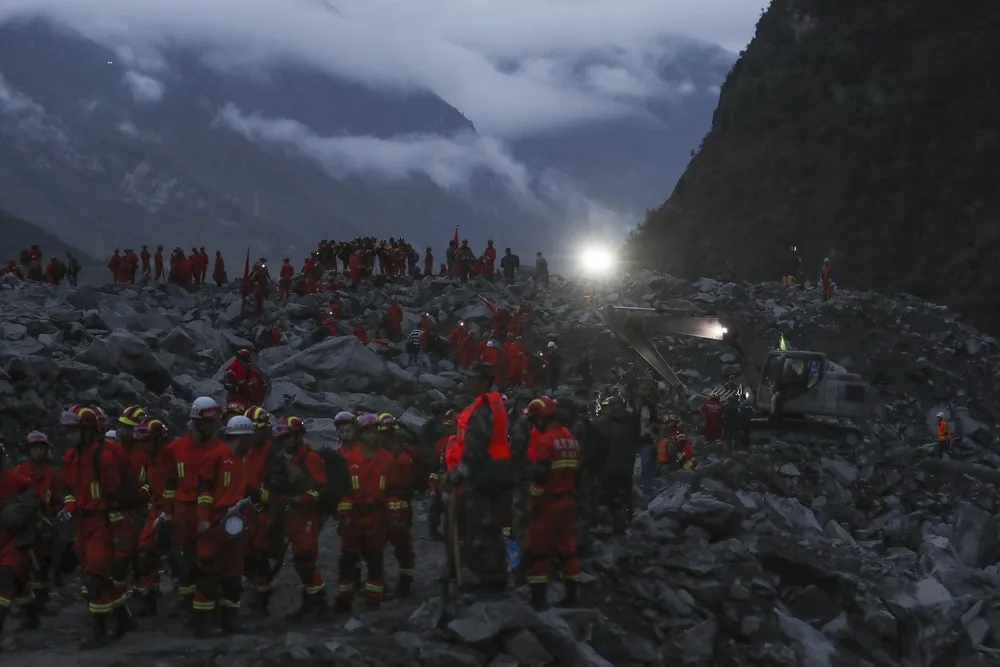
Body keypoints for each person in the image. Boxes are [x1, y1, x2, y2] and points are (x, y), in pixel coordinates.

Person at [59, 405, 126, 648]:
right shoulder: (70, 458)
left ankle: (99, 633)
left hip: (102, 522)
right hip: (82, 523)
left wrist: (118, 540)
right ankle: (123, 619)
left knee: (94, 579)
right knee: (99, 576)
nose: (69, 436)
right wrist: (68, 508)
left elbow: (115, 500)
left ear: (88, 431)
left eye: (73, 431)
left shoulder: (104, 458)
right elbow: (69, 489)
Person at [446, 362, 512, 592]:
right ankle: (493, 574)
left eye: (472, 378)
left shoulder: (482, 407)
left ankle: (487, 577)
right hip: (496, 471)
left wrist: (459, 472)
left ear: (483, 382)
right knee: (491, 526)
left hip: (484, 475)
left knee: (481, 527)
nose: (467, 382)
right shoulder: (494, 403)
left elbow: (476, 444)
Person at [522, 396, 581, 610]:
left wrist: (532, 504)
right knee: (568, 549)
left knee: (537, 551)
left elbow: (540, 477)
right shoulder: (571, 439)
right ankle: (571, 598)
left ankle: (538, 602)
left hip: (548, 503)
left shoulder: (545, 441)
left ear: (539, 418)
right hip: (568, 501)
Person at [335, 413, 394, 612]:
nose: (373, 436)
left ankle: (373, 601)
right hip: (353, 516)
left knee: (375, 560)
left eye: (375, 431)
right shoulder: (346, 458)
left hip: (377, 516)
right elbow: (341, 491)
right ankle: (344, 599)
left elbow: (392, 488)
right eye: (368, 432)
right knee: (348, 560)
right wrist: (343, 516)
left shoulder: (386, 458)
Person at [274, 415, 329, 620]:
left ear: (298, 436)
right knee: (300, 559)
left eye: (287, 437)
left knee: (304, 560)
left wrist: (298, 499)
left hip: (308, 515)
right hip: (294, 515)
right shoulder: (289, 459)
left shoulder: (310, 458)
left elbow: (320, 489)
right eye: (281, 438)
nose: (283, 442)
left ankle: (320, 602)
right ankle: (309, 602)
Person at [0, 440, 40, 638]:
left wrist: (18, 512)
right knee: (19, 582)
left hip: (13, 538)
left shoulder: (15, 480)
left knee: (5, 576)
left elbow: (32, 499)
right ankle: (32, 617)